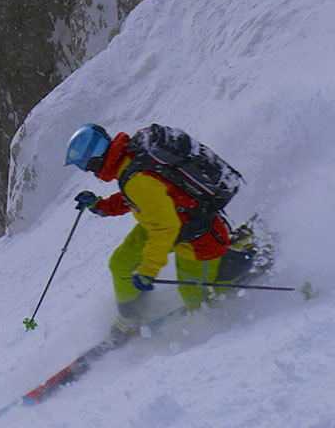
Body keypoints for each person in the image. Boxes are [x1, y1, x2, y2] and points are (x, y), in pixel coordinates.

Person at [64, 123, 248, 342]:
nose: (88, 172)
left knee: (199, 304)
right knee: (121, 263)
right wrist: (100, 206)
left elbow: (165, 225)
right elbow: (141, 198)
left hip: (197, 237)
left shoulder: (135, 179)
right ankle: (131, 317)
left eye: (85, 166)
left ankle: (235, 265)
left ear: (94, 161)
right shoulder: (129, 157)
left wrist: (148, 270)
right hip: (163, 223)